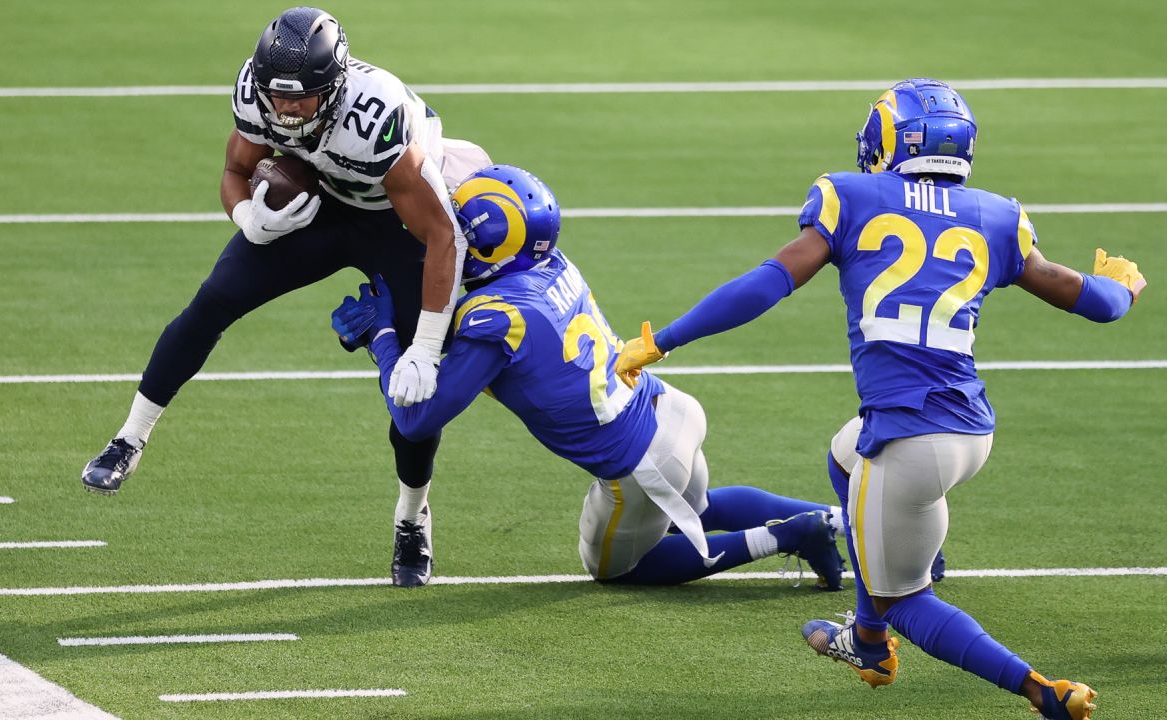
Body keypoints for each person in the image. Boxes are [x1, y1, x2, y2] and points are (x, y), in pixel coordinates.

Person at [614, 78, 1146, 719]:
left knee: (907, 601)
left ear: (889, 138)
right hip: (969, 429)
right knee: (843, 457)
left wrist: (664, 340)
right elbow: (1093, 300)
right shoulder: (998, 215)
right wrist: (1121, 289)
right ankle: (866, 639)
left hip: (910, 439)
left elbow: (768, 282)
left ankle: (1042, 691)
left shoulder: (852, 195)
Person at [80, 7, 489, 587]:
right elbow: (234, 168)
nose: (287, 110)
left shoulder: (378, 116)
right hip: (319, 209)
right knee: (213, 300)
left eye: (302, 99)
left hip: (394, 220)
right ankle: (129, 438)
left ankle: (411, 516)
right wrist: (246, 214)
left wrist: (424, 346)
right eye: (277, 97)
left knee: (416, 397)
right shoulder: (258, 94)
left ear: (336, 87)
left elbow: (440, 233)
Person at [332, 164, 848, 589]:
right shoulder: (549, 262)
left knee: (616, 568)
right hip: (668, 409)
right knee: (702, 507)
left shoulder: (496, 319)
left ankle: (793, 535)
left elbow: (417, 418)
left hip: (640, 463)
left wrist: (383, 341)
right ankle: (853, 524)